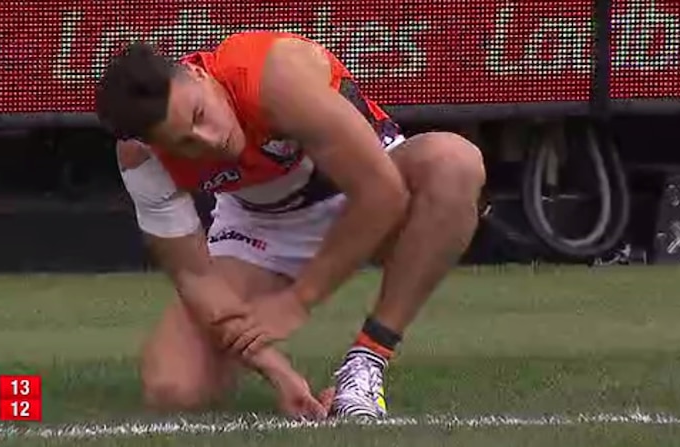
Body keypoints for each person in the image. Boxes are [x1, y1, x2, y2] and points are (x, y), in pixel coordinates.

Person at [94, 31, 485, 419]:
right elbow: (197, 279)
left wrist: (298, 300)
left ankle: (366, 362)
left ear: (198, 74)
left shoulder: (271, 74)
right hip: (262, 225)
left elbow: (382, 192)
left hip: (366, 191)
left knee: (454, 163)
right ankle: (315, 391)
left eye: (200, 115)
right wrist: (278, 372)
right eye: (185, 142)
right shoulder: (142, 158)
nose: (210, 140)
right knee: (174, 387)